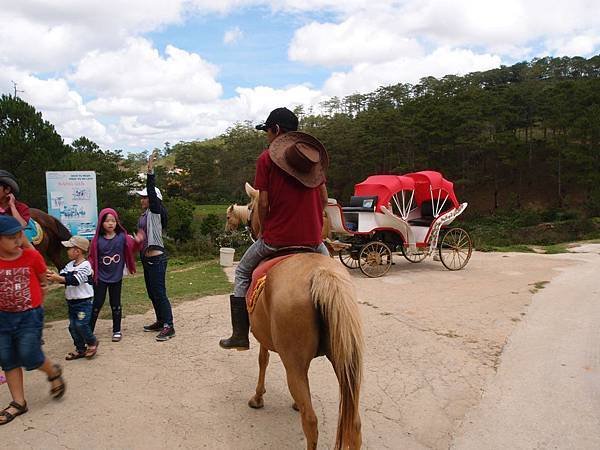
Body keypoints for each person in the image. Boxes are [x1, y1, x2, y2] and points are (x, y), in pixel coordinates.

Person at [219, 107, 330, 350]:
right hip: (313, 240)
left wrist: (266, 231)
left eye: (267, 131)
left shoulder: (266, 159)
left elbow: (264, 202)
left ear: (276, 130)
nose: (267, 137)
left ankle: (239, 335)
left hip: (277, 239)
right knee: (334, 277)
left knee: (241, 273)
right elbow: (323, 199)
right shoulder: (313, 158)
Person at [0, 215, 66, 426]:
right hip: (3, 317)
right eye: (11, 237)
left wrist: (39, 302)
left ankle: (52, 371)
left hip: (29, 315)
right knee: (7, 358)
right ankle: (19, 402)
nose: (18, 240)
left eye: (19, 235)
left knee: (30, 354)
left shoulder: (32, 257)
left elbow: (42, 280)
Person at [135, 152, 175, 342]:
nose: (142, 199)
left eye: (145, 196)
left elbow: (151, 190)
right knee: (152, 292)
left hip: (157, 258)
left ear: (153, 199)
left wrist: (150, 169)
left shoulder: (155, 211)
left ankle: (169, 325)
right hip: (147, 258)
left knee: (159, 292)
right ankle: (160, 321)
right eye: (141, 197)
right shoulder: (144, 216)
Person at [88, 208, 136, 342]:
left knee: (116, 304)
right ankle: (89, 330)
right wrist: (91, 268)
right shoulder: (97, 240)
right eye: (107, 221)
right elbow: (92, 257)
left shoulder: (122, 237)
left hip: (116, 276)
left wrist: (138, 240)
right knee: (97, 303)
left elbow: (133, 246)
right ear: (101, 223)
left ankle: (117, 330)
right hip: (101, 277)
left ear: (117, 222)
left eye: (113, 221)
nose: (110, 223)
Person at [47, 236, 98, 360]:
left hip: (83, 303)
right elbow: (63, 276)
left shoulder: (85, 266)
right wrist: (51, 275)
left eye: (69, 248)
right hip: (72, 303)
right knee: (72, 327)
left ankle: (92, 343)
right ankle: (80, 349)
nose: (67, 251)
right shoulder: (70, 265)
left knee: (81, 324)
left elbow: (74, 281)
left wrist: (58, 278)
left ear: (78, 251)